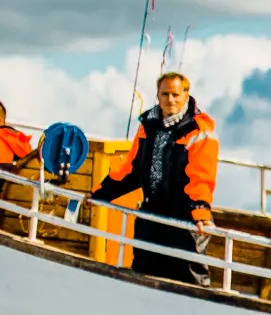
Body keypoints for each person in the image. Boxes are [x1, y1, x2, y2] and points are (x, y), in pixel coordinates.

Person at [92, 72, 219, 286]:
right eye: (165, 94)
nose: (170, 99)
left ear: (186, 95)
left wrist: (200, 210)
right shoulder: (147, 126)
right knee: (144, 271)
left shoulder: (199, 130)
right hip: (152, 214)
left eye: (176, 95)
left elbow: (202, 176)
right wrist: (100, 193)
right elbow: (132, 170)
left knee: (189, 278)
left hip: (184, 218)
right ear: (157, 96)